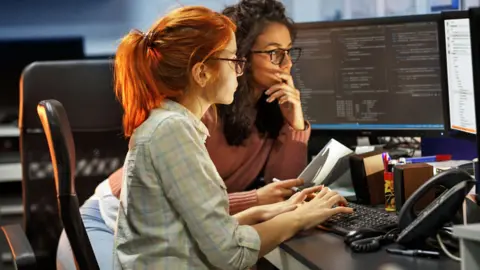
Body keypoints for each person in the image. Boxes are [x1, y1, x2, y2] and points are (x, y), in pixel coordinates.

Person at [55, 1, 323, 268]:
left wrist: (293, 127)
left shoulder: (186, 119)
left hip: (158, 239)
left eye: (289, 52)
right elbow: (224, 245)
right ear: (203, 71)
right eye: (234, 60)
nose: (287, 64)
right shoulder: (182, 124)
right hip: (105, 221)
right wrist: (278, 212)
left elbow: (194, 215)